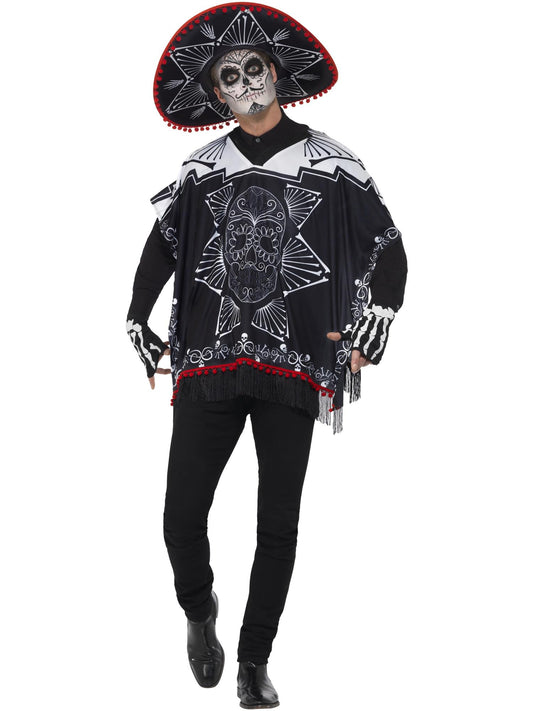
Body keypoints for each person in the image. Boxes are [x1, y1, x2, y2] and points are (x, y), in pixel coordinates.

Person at [126, 4, 407, 708]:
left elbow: (387, 245)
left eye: (254, 67)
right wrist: (134, 316)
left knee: (276, 523)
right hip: (209, 360)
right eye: (229, 76)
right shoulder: (202, 168)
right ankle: (199, 609)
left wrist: (379, 316)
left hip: (294, 362)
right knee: (180, 516)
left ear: (275, 72)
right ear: (216, 93)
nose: (246, 83)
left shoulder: (332, 162)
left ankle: (254, 660)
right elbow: (163, 243)